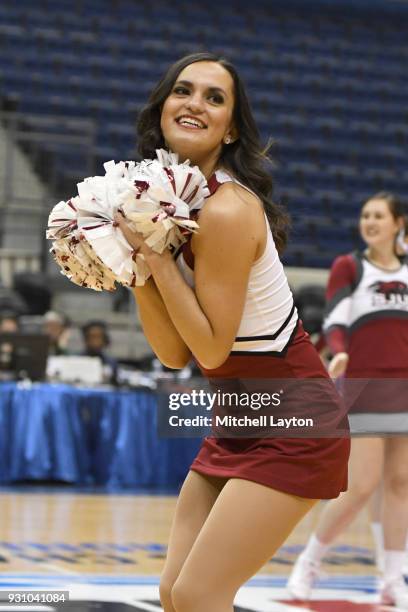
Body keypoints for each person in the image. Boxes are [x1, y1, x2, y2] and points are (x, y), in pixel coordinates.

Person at [115, 52, 350, 612]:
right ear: (163, 107)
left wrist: (155, 256)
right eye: (183, 90)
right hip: (237, 413)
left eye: (214, 98)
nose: (195, 103)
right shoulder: (173, 201)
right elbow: (174, 353)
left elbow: (213, 346)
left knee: (200, 594)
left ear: (231, 129)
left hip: (295, 419)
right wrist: (133, 261)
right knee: (175, 592)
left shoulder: (224, 208)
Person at [288, 193, 408, 607]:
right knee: (360, 486)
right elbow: (335, 319)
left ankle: (392, 577)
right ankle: (310, 560)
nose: (369, 221)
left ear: (398, 223)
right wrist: (338, 350)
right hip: (366, 386)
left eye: (378, 215)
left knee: (400, 484)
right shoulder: (349, 266)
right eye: (364, 215)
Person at [81, 320, 118, 384]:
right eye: (92, 337)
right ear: (86, 339)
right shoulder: (77, 360)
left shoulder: (111, 363)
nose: (95, 341)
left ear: (105, 340)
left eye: (99, 337)